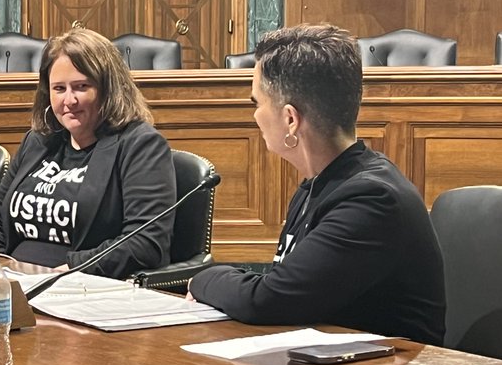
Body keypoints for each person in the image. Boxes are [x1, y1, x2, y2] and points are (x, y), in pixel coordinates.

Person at [188, 23, 446, 344]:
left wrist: (202, 278)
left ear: (291, 119)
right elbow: (288, 287)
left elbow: (268, 300)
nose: (255, 116)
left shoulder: (371, 198)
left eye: (257, 103)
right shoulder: (319, 184)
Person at [0, 27, 175, 278]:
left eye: (81, 86)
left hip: (82, 286)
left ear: (108, 89)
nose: (69, 100)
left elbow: (145, 242)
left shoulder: (140, 145)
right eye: (59, 89)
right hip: (12, 281)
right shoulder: (39, 141)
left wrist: (71, 270)